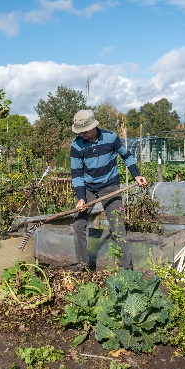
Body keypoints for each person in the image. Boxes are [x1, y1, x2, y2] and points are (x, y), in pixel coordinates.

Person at [70, 109, 147, 271]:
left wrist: (136, 175)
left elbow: (126, 155)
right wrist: (81, 197)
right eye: (79, 132)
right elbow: (77, 174)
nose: (82, 134)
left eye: (84, 131)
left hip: (110, 187)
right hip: (89, 189)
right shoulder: (76, 145)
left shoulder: (110, 137)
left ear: (93, 126)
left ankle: (126, 270)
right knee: (78, 224)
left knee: (118, 228)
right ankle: (83, 267)